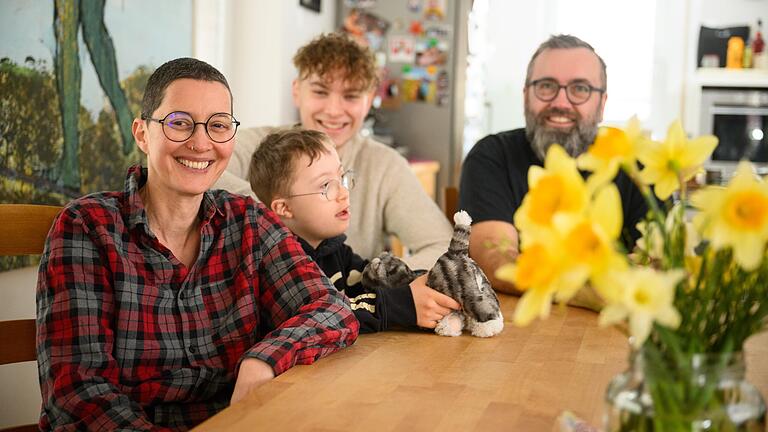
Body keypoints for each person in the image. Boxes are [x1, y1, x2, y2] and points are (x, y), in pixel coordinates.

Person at [36, 57, 359, 431]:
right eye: (179, 123)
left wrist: (264, 359)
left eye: (218, 125)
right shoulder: (87, 227)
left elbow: (330, 308)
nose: (201, 143)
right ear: (142, 134)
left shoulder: (248, 221)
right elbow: (78, 394)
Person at [214, 32, 452, 271]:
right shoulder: (258, 145)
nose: (334, 110)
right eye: (320, 92)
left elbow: (441, 245)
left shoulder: (386, 166)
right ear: (297, 91)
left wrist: (374, 282)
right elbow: (201, 170)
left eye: (350, 96)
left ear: (368, 101)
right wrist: (273, 214)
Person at [459, 34, 648, 296]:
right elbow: (496, 262)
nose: (560, 103)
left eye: (580, 88)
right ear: (526, 96)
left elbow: (655, 264)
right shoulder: (492, 156)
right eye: (546, 86)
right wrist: (596, 291)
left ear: (602, 103)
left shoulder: (634, 166)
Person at [248, 128, 461, 333]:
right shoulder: (279, 263)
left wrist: (417, 283)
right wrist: (404, 304)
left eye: (341, 178)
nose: (343, 193)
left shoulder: (332, 248)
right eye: (325, 186)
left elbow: (368, 281)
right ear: (284, 208)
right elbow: (323, 315)